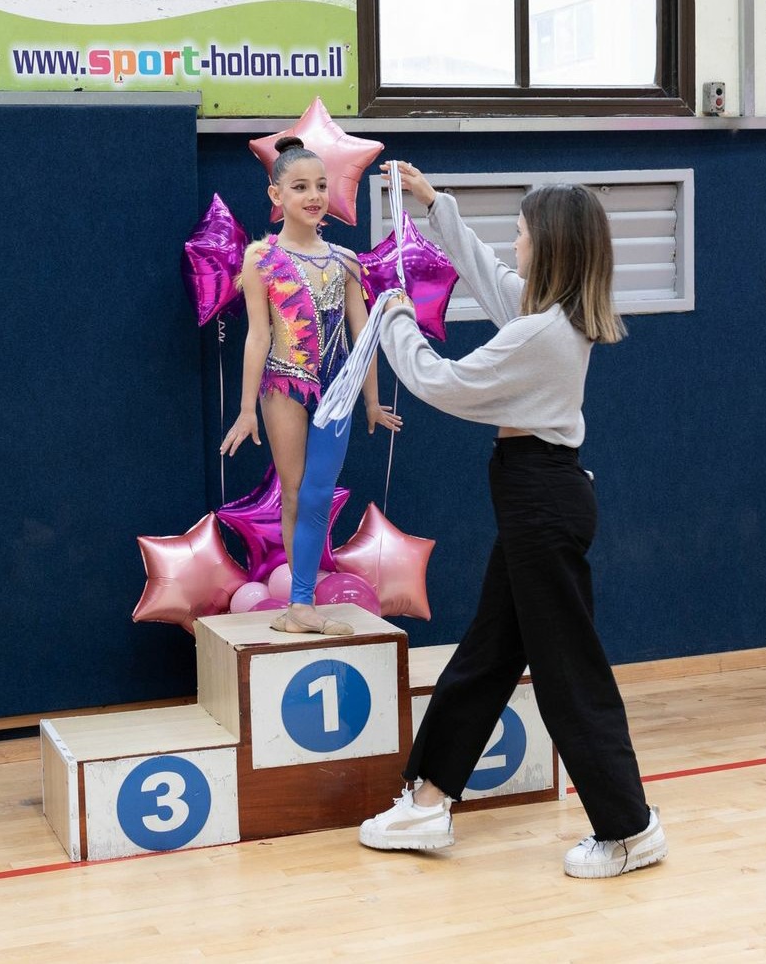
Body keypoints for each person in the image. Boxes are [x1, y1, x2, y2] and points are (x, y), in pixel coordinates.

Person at [358, 164, 667, 879]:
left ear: (551, 247)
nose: (515, 245)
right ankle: (428, 798)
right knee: (490, 654)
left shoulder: (539, 336)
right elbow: (488, 271)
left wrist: (393, 315)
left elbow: (443, 383)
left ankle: (627, 829)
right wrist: (437, 208)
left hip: (541, 503)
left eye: (523, 234)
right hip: (537, 499)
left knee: (568, 675)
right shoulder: (547, 316)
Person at [220, 136, 401, 636]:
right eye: (300, 187)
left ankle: (301, 601)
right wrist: (244, 409)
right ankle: (300, 602)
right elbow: (258, 335)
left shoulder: (345, 262)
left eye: (321, 185)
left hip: (337, 389)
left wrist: (370, 398)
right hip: (284, 385)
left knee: (319, 492)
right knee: (295, 493)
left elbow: (363, 337)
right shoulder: (262, 260)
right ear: (277, 197)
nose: (314, 195)